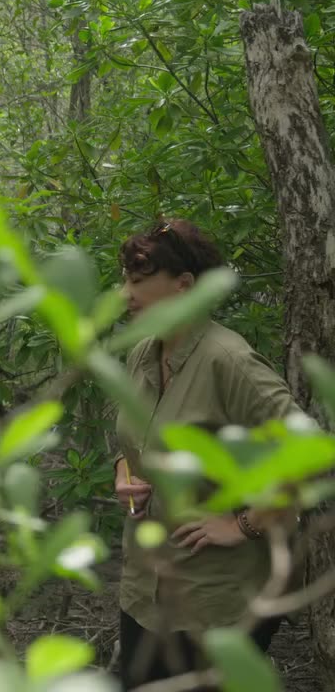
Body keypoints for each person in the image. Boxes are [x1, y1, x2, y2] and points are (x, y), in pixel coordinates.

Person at [113, 219, 303, 690]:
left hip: (216, 606)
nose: (125, 294)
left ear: (184, 286)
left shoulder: (229, 362)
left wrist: (243, 524)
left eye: (138, 282)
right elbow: (129, 440)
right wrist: (124, 475)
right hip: (144, 592)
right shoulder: (141, 353)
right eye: (125, 280)